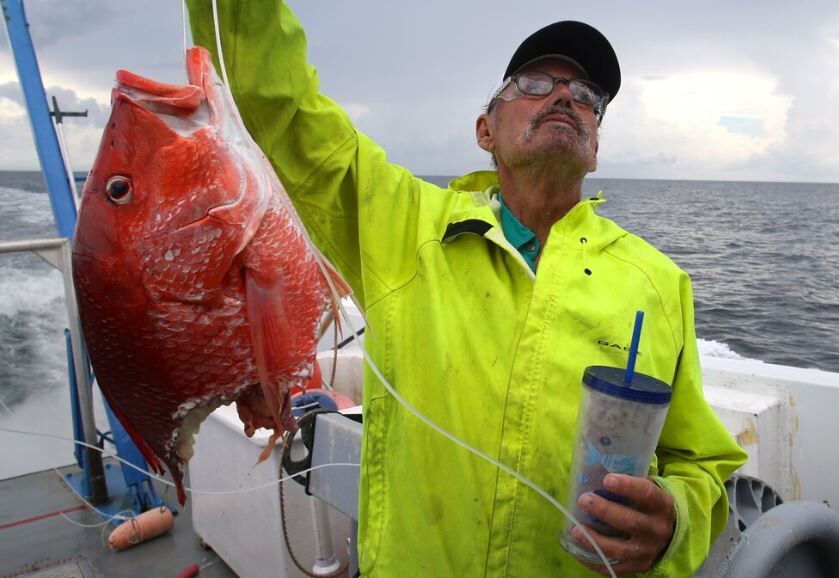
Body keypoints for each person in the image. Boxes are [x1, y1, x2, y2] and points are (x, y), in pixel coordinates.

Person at [187, 1, 748, 576]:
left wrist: (675, 521)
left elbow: (698, 463)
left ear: (596, 148)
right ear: (486, 131)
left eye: (587, 97)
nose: (565, 97)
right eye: (535, 83)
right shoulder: (400, 223)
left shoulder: (658, 280)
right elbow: (276, 109)